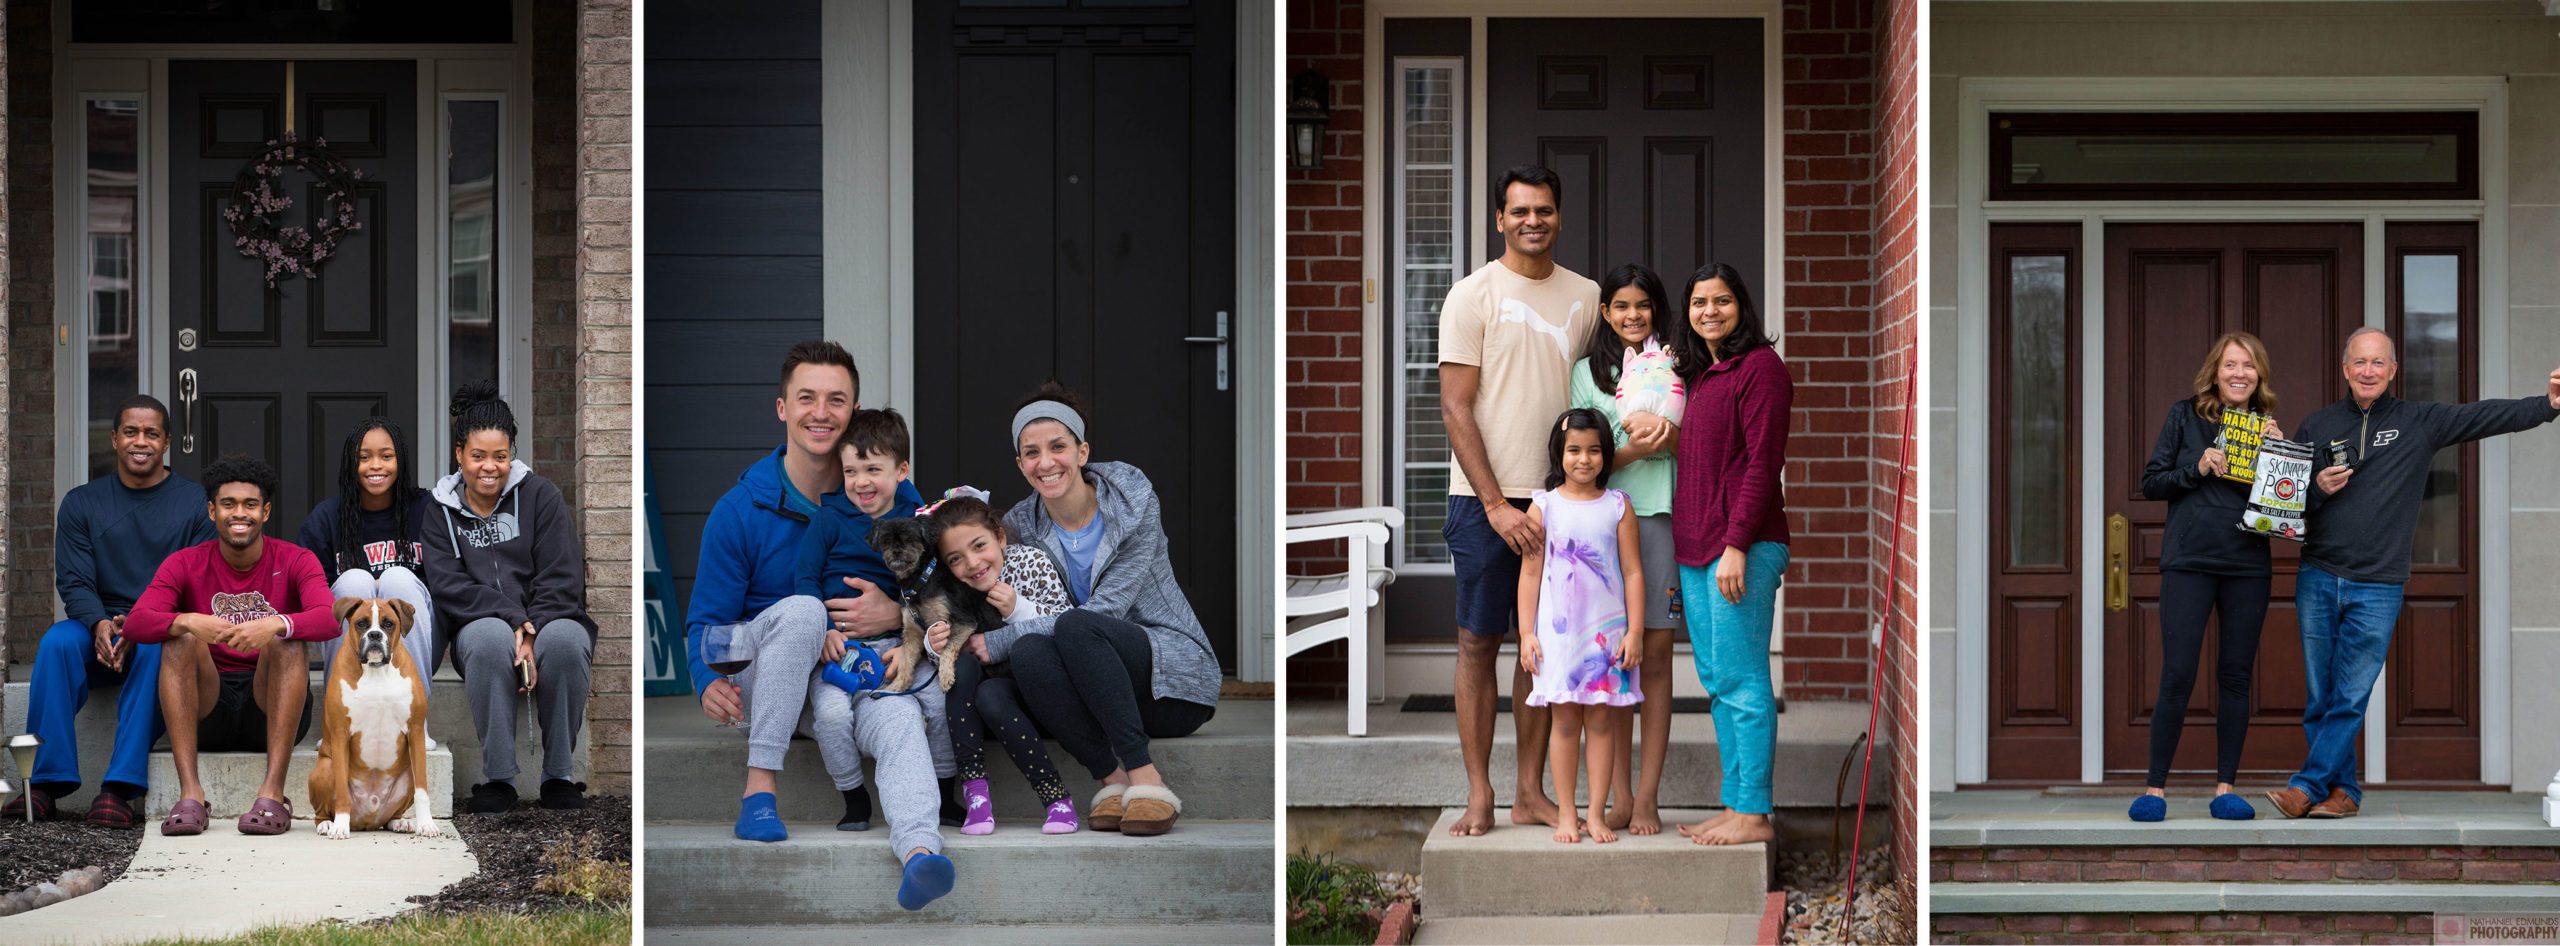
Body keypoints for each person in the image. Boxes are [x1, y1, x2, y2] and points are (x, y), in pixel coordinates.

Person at [685, 340, 951, 912]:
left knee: (901, 717)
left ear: (853, 413)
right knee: (805, 611)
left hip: (850, 674)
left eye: (837, 400)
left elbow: (929, 584)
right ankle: (759, 793)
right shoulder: (740, 509)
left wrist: (892, 612)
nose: (821, 412)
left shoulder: (896, 499)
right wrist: (707, 679)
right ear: (783, 408)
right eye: (806, 397)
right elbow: (705, 622)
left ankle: (920, 853)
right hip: (773, 675)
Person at [2264, 327, 2560, 819]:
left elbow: (2484, 415)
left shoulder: (2418, 421)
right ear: (2345, 370)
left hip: (2378, 584)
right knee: (2322, 697)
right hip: (2318, 576)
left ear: (2393, 371)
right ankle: (2344, 793)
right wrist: (2316, 488)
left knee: (2350, 695)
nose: (2368, 371)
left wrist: (2547, 405)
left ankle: (2306, 786)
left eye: (2378, 363)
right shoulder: (2317, 425)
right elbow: (2286, 507)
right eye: (2359, 362)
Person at [960, 381, 1220, 837]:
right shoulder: (1018, 525)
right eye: (1032, 452)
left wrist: (999, 640)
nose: (1046, 463)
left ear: (1082, 452)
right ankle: (1113, 782)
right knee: (1029, 655)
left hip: (1169, 684)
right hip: (1091, 686)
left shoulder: (1132, 503)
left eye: (1058, 447)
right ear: (1020, 465)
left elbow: (1108, 611)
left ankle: (1147, 779)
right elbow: (966, 567)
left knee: (1079, 625)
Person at [1436, 165, 1601, 836]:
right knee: (1479, 643)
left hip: (1564, 499)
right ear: (1500, 219)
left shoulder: (1588, 296)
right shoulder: (1472, 295)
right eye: (1520, 211)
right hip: (1484, 502)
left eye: (1545, 210)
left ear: (1560, 216)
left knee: (1543, 648)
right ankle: (1480, 792)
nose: (1534, 220)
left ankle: (1530, 793)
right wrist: (1498, 506)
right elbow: (1454, 406)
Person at [7, 396, 214, 827]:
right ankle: (46, 782)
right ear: (115, 438)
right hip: (98, 628)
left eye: (152, 433)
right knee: (57, 642)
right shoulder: (82, 503)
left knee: (163, 649)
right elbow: (75, 582)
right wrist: (100, 622)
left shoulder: (195, 504)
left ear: (168, 442)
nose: (141, 442)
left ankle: (120, 787)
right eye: (132, 432)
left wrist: (141, 625)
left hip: (157, 628)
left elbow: (194, 583)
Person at [123, 455, 337, 837]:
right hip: (208, 706)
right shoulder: (184, 562)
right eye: (228, 504)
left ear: (266, 511)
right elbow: (138, 621)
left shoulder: (295, 559)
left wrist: (276, 623)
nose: (240, 514)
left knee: (287, 640)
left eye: (250, 504)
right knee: (178, 639)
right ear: (211, 510)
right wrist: (187, 619)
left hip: (268, 707)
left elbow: (328, 618)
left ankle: (272, 794)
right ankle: (191, 795)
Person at [2132, 333, 2285, 822]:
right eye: (2230, 365)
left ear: (2259, 375)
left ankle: (2226, 789)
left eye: (2249, 366)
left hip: (2247, 565)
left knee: (2235, 678)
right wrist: (2196, 467)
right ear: (2215, 372)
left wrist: (2283, 459)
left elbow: (2284, 508)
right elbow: (2151, 481)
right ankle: (2155, 791)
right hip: (2190, 562)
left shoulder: (2267, 428)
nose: (2239, 374)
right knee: (2177, 674)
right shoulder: (2184, 416)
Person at [423, 382, 596, 813]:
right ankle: (499, 779)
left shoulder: (540, 497)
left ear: (511, 454)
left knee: (568, 641)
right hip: (480, 623)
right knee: (485, 639)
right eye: (478, 456)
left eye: (500, 456)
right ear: (459, 454)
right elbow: (448, 584)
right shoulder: (438, 511)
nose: (489, 467)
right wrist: (511, 618)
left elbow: (562, 574)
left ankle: (559, 776)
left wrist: (532, 631)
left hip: (548, 618)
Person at [1665, 261, 1790, 847]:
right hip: (1695, 548)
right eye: (1698, 303)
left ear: (1741, 305)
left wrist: (1737, 543)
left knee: (1742, 679)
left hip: (1739, 545)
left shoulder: (1760, 369)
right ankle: (1737, 802)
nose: (1709, 311)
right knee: (1717, 681)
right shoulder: (1701, 376)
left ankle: (1755, 813)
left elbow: (1763, 464)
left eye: (1721, 301)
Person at [795, 408, 962, 832]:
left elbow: (937, 579)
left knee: (940, 706)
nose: (861, 481)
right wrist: (822, 632)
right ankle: (853, 797)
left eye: (873, 468)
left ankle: (944, 796)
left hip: (903, 644)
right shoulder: (829, 519)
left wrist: (902, 617)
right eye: (851, 470)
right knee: (831, 715)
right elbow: (805, 579)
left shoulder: (923, 518)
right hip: (838, 648)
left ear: (901, 470)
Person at [1567, 263, 1680, 835]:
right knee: (1610, 661)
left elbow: (1693, 437)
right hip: (1603, 525)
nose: (1632, 315)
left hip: (1659, 519)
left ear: (1656, 309)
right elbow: (1589, 452)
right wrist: (1640, 445)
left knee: (1656, 658)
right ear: (1606, 312)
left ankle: (1649, 797)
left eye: (1643, 304)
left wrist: (1671, 436)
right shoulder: (1588, 373)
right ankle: (1617, 794)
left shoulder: (1677, 366)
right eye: (1621, 306)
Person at [1516, 408, 1645, 845]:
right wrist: (1526, 633)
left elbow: (1632, 573)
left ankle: (1597, 814)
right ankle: (1567, 812)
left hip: (1607, 640)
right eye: (1574, 450)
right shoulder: (1544, 506)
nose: (1583, 459)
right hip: (1560, 641)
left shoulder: (1618, 506)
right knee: (1565, 724)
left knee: (1603, 724)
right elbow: (1531, 574)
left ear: (1606, 455)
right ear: (1559, 453)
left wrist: (1636, 632)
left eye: (1593, 450)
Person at [926, 493, 1079, 835]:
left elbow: (1069, 627)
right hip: (990, 699)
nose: (972, 563)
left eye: (980, 546)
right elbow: (938, 641)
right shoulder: (951, 588)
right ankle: (976, 796)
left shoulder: (1030, 563)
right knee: (975, 680)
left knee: (992, 691)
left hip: (1041, 691)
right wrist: (932, 643)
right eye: (956, 558)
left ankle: (1056, 799)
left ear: (1000, 537)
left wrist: (1016, 609)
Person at [298, 417, 439, 747]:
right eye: (364, 457)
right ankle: (338, 723)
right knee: (352, 583)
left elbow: (445, 582)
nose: (376, 465)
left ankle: (413, 720)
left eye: (386, 456)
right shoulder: (326, 518)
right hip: (349, 640)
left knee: (399, 580)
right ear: (351, 463)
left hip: (413, 629)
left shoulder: (426, 510)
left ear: (400, 460)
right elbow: (313, 594)